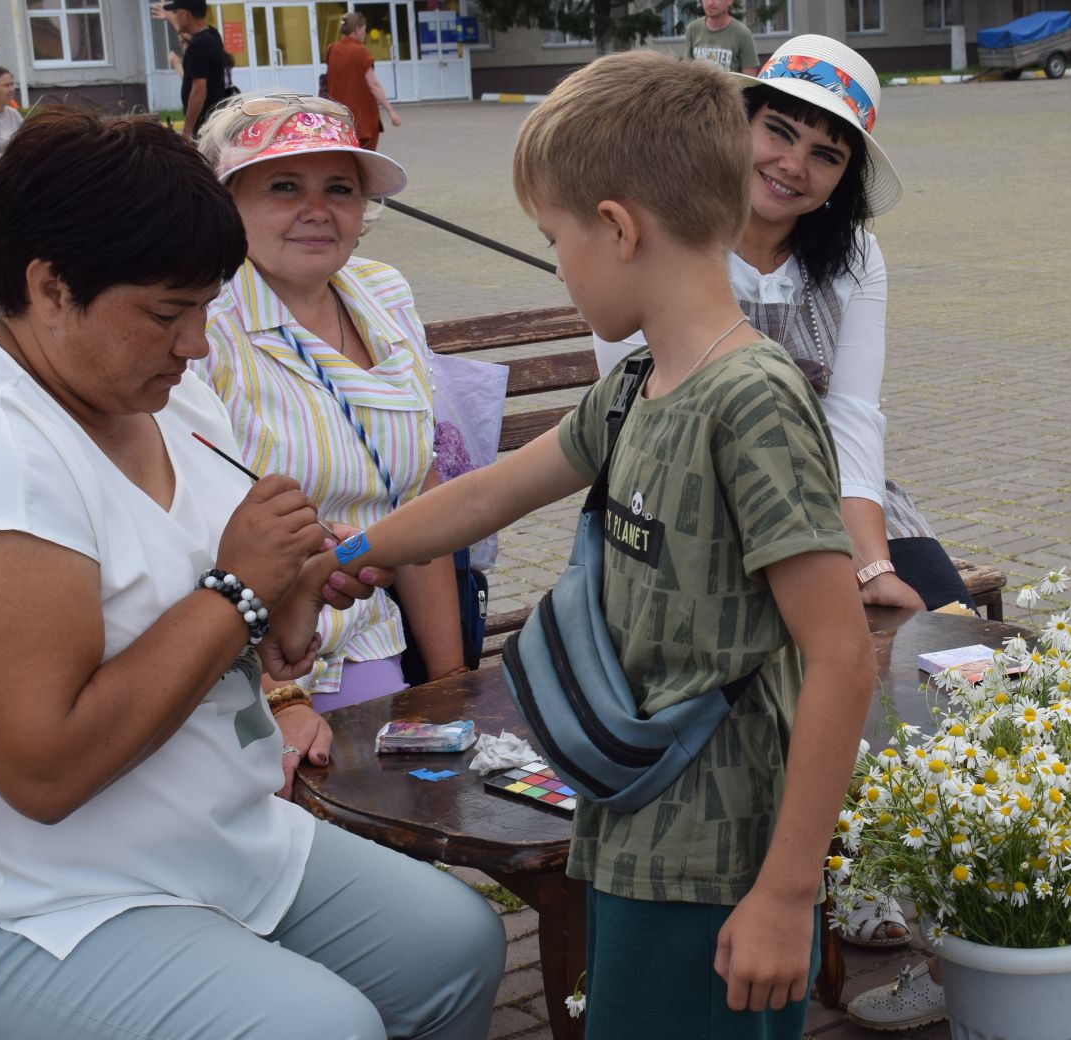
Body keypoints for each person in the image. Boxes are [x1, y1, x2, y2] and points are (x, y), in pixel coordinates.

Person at [0, 110, 506, 1038]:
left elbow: (228, 611)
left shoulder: (161, 390)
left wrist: (288, 601)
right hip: (12, 898)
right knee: (315, 1029)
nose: (198, 344)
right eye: (168, 312)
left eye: (207, 305)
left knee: (454, 942)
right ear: (50, 286)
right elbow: (46, 771)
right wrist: (236, 592)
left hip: (200, 828)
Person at [325, 50, 875, 1040]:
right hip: (631, 815)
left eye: (555, 238)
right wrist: (357, 548)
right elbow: (491, 489)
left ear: (617, 228)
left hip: (722, 864)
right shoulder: (636, 386)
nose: (559, 263)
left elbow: (839, 653)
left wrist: (790, 892)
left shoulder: (749, 401)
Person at [594, 34, 972, 617]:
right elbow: (641, 419)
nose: (794, 165)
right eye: (780, 131)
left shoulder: (858, 256)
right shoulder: (662, 234)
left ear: (844, 178)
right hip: (683, 504)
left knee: (950, 634)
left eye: (827, 155)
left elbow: (850, 415)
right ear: (736, 127)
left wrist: (872, 564)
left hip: (830, 497)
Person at [191, 94, 461, 777]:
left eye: (339, 188)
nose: (317, 210)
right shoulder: (200, 325)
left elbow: (419, 500)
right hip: (234, 676)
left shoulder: (383, 292)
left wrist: (454, 685)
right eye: (284, 186)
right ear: (226, 200)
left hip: (373, 642)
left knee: (412, 816)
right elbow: (182, 542)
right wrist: (278, 698)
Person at [323, 12, 402, 150]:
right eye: (364, 30)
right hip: (363, 120)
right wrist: (391, 111)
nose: (364, 34)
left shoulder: (332, 49)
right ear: (357, 29)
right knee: (364, 162)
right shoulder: (360, 51)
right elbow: (374, 85)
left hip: (338, 119)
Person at [158, 0, 230, 139]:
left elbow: (198, 90)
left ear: (185, 14)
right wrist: (169, 17)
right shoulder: (212, 34)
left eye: (176, 12)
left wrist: (187, 130)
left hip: (204, 124)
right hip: (217, 119)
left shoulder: (197, 47)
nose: (175, 16)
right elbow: (184, 32)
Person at [686, 0, 760, 75]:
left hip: (730, 90)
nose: (709, 2)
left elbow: (750, 80)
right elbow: (686, 72)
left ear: (729, 0)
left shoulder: (742, 34)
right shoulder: (692, 29)